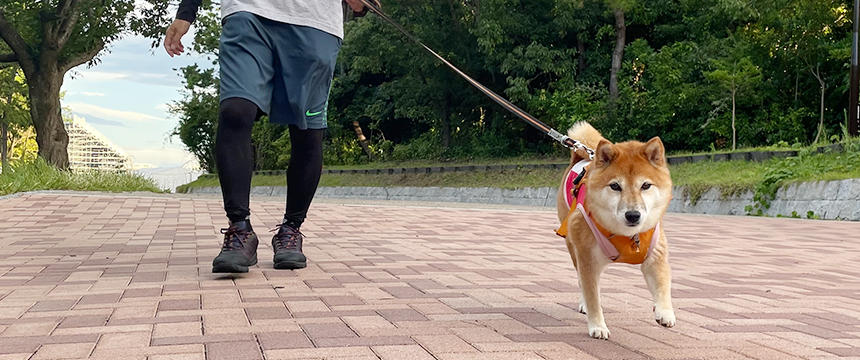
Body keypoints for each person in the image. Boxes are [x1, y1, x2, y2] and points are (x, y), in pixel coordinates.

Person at [164, 0, 377, 273]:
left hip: (315, 21)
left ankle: (291, 230)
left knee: (307, 132)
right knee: (235, 111)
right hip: (247, 12)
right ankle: (239, 229)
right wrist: (186, 12)